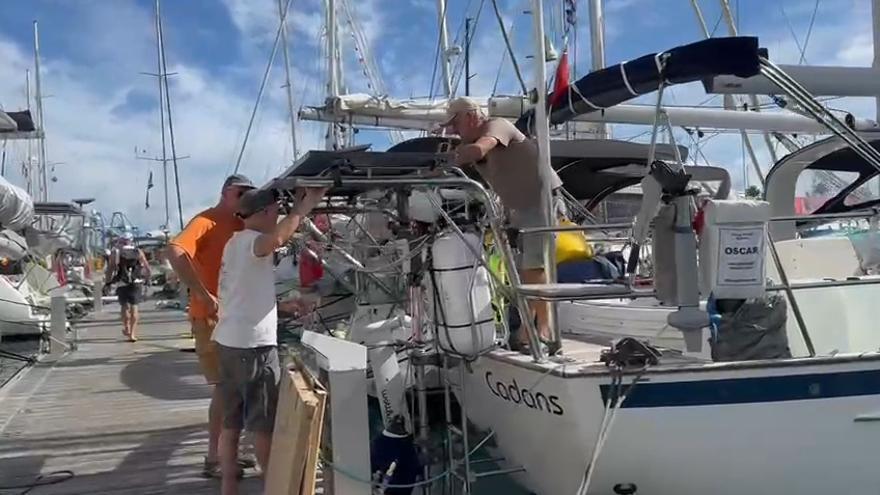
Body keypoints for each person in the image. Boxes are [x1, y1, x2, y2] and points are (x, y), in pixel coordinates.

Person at [214, 185, 327, 495]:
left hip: (227, 341)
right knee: (264, 422)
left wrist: (282, 307)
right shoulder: (254, 242)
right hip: (253, 347)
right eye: (276, 211)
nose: (278, 216)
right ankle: (274, 487)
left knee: (231, 419)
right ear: (265, 213)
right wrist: (302, 210)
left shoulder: (233, 243)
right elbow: (277, 239)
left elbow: (243, 294)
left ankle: (228, 486)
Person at [441, 96, 563, 352]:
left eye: (455, 123)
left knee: (535, 265)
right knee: (523, 270)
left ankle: (545, 331)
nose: (452, 130)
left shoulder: (496, 126)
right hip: (518, 207)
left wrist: (450, 157)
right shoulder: (470, 138)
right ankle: (527, 329)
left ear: (471, 116)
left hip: (539, 200)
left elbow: (480, 149)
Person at [166, 174, 256, 478]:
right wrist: (202, 293)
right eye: (242, 192)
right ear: (226, 192)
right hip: (210, 317)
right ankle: (213, 458)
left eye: (250, 194)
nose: (246, 198)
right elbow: (175, 251)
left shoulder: (242, 224)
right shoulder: (206, 220)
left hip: (237, 318)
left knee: (239, 389)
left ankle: (229, 452)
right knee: (224, 388)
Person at [105, 233, 150, 342]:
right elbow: (147, 267)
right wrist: (148, 278)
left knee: (124, 306)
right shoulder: (138, 251)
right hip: (136, 282)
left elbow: (110, 268)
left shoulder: (116, 252)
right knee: (134, 306)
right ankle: (133, 334)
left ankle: (127, 328)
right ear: (131, 241)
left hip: (122, 282)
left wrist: (108, 282)